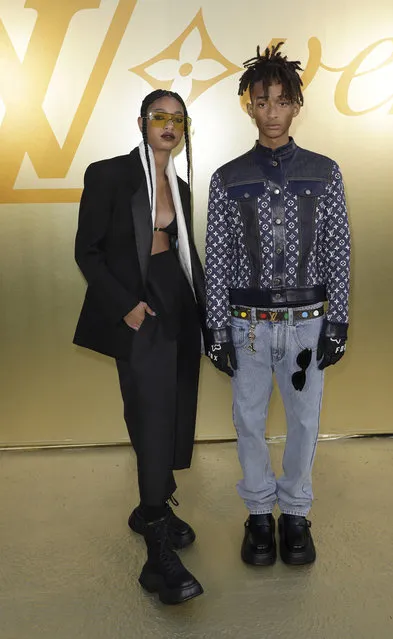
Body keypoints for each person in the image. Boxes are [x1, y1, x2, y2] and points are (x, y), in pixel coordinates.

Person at [205, 43, 350, 567]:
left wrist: (339, 319)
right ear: (249, 105)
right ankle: (259, 516)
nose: (272, 113)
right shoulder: (227, 178)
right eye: (262, 102)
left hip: (308, 327)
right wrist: (216, 331)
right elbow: (216, 259)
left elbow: (339, 249)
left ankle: (295, 515)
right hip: (248, 327)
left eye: (282, 101)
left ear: (296, 105)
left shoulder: (324, 172)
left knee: (305, 421)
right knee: (247, 419)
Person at [73, 89, 206, 604]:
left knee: (175, 408)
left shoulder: (184, 188)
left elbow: (184, 254)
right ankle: (156, 553)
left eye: (177, 118)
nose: (168, 125)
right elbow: (86, 251)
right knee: (150, 414)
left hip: (177, 302)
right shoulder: (108, 174)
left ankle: (153, 504)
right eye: (159, 117)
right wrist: (125, 304)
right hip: (137, 309)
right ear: (141, 122)